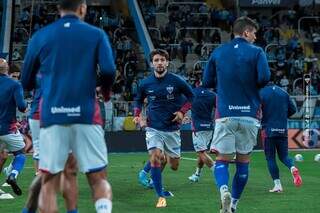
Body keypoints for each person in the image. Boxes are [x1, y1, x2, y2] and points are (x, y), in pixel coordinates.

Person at [21, 0, 116, 212]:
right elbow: (109, 70)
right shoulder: (96, 34)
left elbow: (26, 81)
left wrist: (48, 81)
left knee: (49, 182)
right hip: (87, 114)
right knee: (98, 178)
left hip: (52, 115)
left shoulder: (41, 36)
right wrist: (105, 90)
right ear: (82, 8)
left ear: (59, 9)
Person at [203, 17, 271, 213]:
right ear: (246, 32)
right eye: (254, 33)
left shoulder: (218, 52)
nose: (255, 37)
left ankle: (223, 189)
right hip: (249, 116)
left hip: (225, 115)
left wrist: (225, 83)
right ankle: (233, 204)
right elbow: (265, 78)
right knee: (243, 164)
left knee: (222, 160)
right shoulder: (257, 52)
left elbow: (207, 82)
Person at [133, 49, 194, 208]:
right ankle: (160, 194)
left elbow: (192, 97)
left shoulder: (177, 81)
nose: (159, 62)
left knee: (173, 165)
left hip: (172, 129)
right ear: (152, 63)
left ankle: (153, 174)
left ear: (167, 62)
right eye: (156, 60)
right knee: (156, 156)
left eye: (162, 60)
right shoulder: (145, 83)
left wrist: (182, 111)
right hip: (153, 128)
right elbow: (138, 100)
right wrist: (137, 115)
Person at [260, 82, 302, 192]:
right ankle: (292, 167)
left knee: (270, 158)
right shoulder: (284, 92)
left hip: (268, 130)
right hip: (282, 129)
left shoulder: (261, 92)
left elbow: (257, 110)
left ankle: (277, 185)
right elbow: (293, 110)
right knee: (284, 157)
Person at [0, 58, 27, 196]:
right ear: (7, 70)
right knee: (20, 154)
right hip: (7, 129)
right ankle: (13, 175)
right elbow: (22, 106)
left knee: (2, 156)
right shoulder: (14, 84)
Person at [188, 86, 216, 183]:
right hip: (209, 127)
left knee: (201, 152)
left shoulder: (192, 93)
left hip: (198, 127)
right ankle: (197, 174)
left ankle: (217, 171)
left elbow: (184, 104)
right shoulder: (213, 95)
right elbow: (219, 108)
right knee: (202, 152)